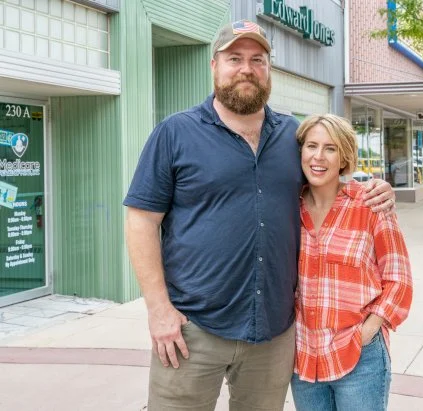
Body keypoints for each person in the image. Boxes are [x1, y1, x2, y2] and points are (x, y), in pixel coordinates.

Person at [123, 20, 395, 411]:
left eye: (257, 59)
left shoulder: (292, 136)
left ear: (269, 70)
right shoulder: (174, 133)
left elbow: (329, 179)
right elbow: (141, 221)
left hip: (273, 334)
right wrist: (158, 309)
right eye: (235, 58)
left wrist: (375, 189)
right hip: (191, 330)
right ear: (214, 65)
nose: (246, 68)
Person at [291, 114, 413, 411]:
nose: (318, 157)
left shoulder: (370, 204)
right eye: (311, 146)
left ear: (344, 157)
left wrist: (366, 332)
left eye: (330, 148)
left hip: (359, 357)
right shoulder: (286, 208)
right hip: (304, 359)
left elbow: (399, 280)